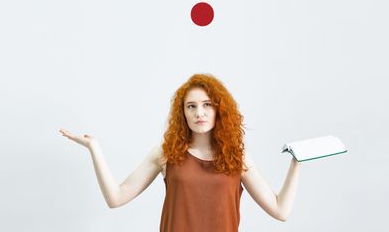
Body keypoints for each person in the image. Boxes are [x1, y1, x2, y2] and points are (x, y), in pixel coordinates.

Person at [60, 73, 300, 231]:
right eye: (191, 106)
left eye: (207, 105)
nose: (200, 113)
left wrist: (296, 162)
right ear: (183, 113)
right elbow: (116, 197)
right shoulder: (167, 154)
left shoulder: (238, 157)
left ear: (219, 111)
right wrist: (94, 149)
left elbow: (280, 210)